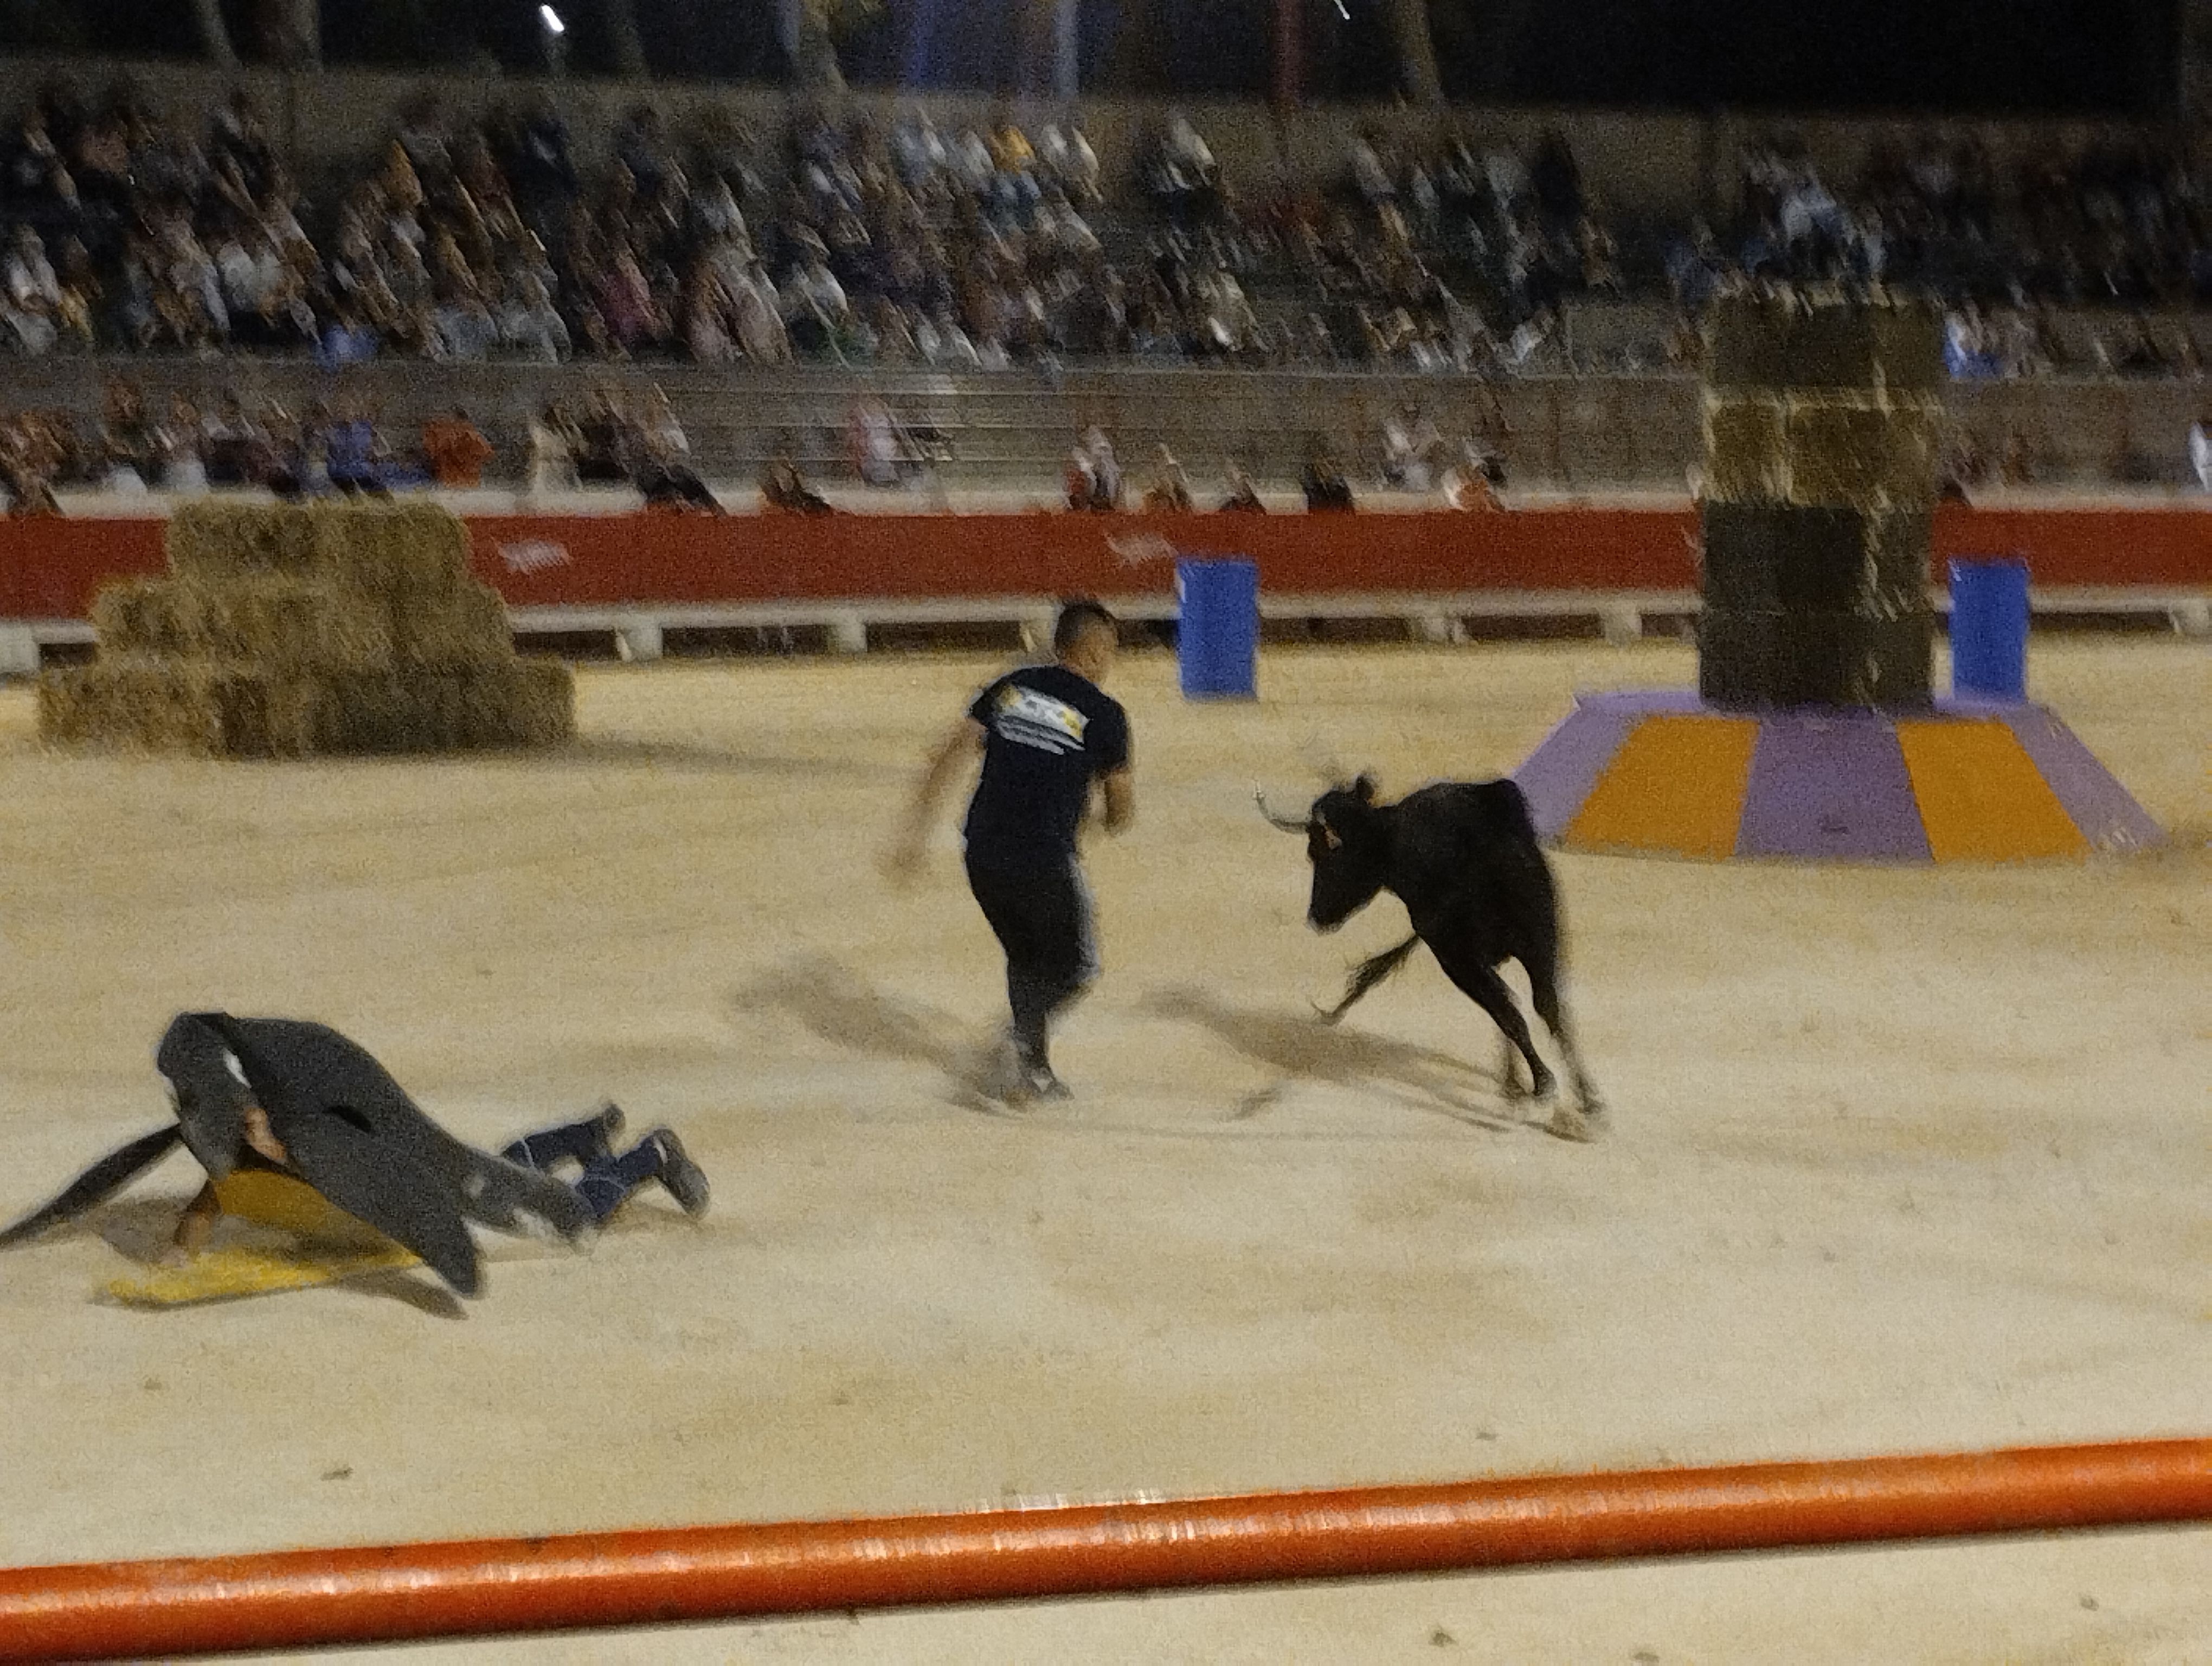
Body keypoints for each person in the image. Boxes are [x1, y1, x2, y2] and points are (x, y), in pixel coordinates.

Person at [0, 1013, 710, 1299]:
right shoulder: (238, 1132)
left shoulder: (305, 1135)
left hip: (353, 1109)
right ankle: (582, 1136)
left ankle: (646, 1156)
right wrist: (179, 1258)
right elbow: (214, 1192)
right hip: (333, 1097)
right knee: (468, 1173)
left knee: (566, 1222)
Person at [886, 600, 1134, 1104]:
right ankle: (1015, 1045)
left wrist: (915, 834)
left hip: (982, 851)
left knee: (1026, 958)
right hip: (1043, 857)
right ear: (1093, 652)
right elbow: (1121, 806)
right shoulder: (1106, 714)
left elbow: (949, 752)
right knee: (1075, 967)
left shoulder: (1011, 687)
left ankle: (1030, 1074)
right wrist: (1103, 822)